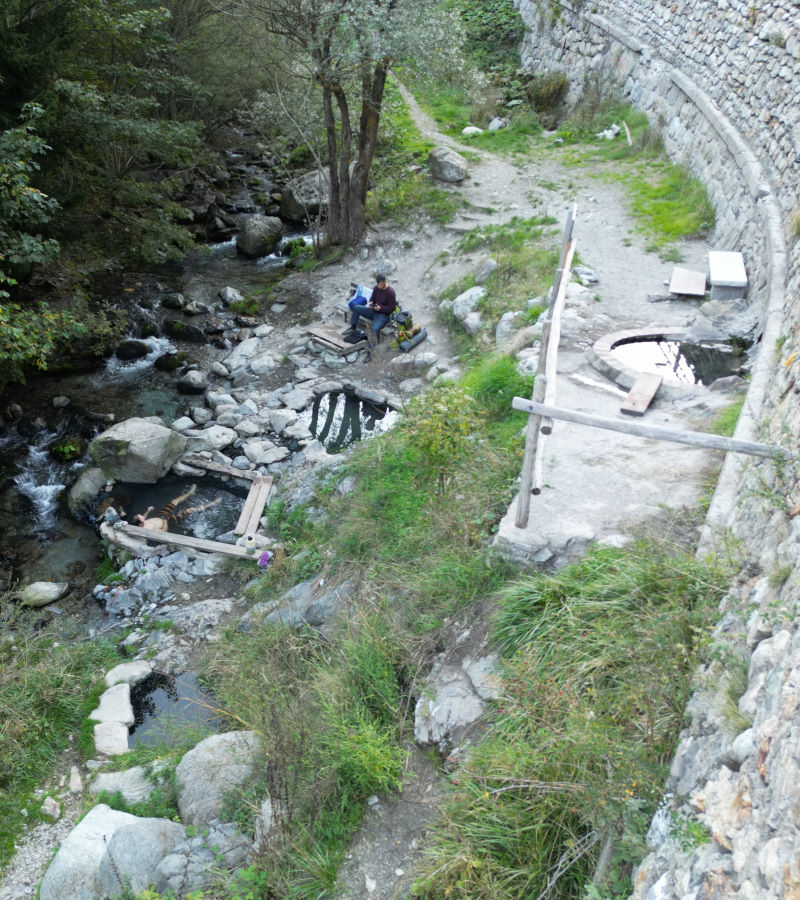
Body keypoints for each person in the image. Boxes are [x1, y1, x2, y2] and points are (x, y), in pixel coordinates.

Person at [132, 484, 220, 531]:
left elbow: (143, 517)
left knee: (174, 501)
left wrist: (148, 511)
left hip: (161, 516)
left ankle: (190, 493)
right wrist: (165, 521)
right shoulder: (148, 531)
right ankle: (211, 504)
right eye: (142, 518)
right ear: (140, 524)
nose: (144, 516)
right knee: (190, 509)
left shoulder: (138, 524)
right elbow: (164, 532)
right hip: (168, 520)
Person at [343, 273, 397, 348]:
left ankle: (373, 347)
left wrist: (381, 308)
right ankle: (353, 328)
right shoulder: (377, 288)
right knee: (356, 308)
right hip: (373, 310)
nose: (379, 286)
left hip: (383, 316)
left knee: (374, 328)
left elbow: (392, 308)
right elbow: (372, 298)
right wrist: (371, 303)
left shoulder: (390, 292)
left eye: (381, 284)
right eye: (378, 284)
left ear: (384, 282)